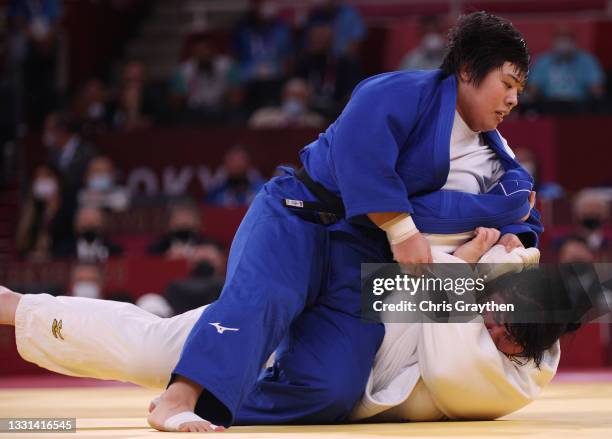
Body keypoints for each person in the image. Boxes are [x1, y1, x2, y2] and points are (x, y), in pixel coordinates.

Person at [2, 12, 559, 432]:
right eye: (507, 83)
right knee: (250, 307)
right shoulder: (402, 94)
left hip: (359, 264)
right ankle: (177, 394)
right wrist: (408, 231)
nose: (513, 98)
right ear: (467, 71)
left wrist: (510, 234)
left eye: (520, 90)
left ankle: (219, 393)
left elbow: (518, 208)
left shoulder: (493, 174)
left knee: (330, 391)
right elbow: (362, 155)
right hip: (301, 216)